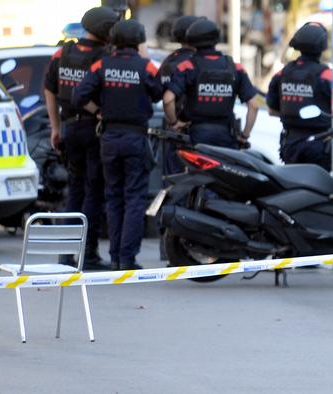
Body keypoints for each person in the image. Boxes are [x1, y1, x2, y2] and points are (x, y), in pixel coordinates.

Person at [73, 19, 163, 271]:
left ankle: (114, 257)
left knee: (113, 197)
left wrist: (99, 110)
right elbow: (158, 93)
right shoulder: (146, 67)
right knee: (134, 198)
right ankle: (127, 258)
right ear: (138, 41)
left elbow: (78, 96)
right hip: (135, 138)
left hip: (109, 139)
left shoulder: (102, 64)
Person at [44, 6, 119, 269]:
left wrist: (55, 127)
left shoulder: (62, 52)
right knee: (93, 192)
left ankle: (66, 256)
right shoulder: (106, 56)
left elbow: (50, 90)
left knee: (74, 192)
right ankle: (88, 254)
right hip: (95, 131)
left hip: (70, 130)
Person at [266, 22, 333, 172]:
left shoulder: (283, 73)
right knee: (320, 189)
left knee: (293, 188)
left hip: (291, 144)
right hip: (319, 144)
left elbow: (272, 110)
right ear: (322, 46)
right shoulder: (326, 75)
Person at [163, 19, 259, 149]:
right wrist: (244, 136)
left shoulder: (187, 66)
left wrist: (174, 123)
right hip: (227, 137)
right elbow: (254, 106)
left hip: (196, 137)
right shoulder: (235, 67)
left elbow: (168, 99)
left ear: (192, 40)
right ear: (217, 39)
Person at [156, 15, 201, 176]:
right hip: (199, 131)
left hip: (174, 133)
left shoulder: (168, 61)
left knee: (173, 184)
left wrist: (174, 122)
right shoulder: (199, 61)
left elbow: (157, 94)